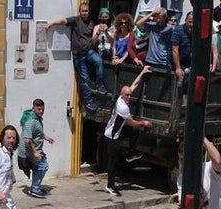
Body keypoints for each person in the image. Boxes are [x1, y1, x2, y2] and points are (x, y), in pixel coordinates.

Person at [103, 66, 152, 197]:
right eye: (127, 95)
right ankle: (110, 184)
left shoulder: (124, 97)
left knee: (134, 132)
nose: (129, 97)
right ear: (121, 95)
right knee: (113, 160)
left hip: (117, 131)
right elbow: (132, 122)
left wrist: (142, 72)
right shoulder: (122, 107)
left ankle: (131, 154)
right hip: (112, 136)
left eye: (130, 95)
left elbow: (134, 85)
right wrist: (144, 122)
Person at [46, 4, 105, 109]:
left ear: (89, 11)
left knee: (99, 61)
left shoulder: (92, 22)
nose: (84, 13)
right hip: (78, 55)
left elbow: (93, 39)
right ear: (79, 11)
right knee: (84, 78)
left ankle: (100, 85)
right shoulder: (76, 20)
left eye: (86, 11)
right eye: (82, 11)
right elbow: (63, 21)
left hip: (89, 51)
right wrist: (51, 23)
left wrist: (98, 32)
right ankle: (88, 101)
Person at [17, 99, 54, 199]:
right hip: (28, 152)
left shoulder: (36, 118)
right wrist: (35, 152)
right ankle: (35, 189)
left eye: (42, 109)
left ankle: (35, 187)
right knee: (43, 166)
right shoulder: (31, 121)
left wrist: (45, 137)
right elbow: (27, 140)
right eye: (39, 109)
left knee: (39, 167)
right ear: (33, 108)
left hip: (32, 151)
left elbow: (37, 132)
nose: (41, 111)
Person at [170, 10, 193, 79]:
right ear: (185, 20)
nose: (192, 24)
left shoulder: (197, 31)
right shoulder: (178, 30)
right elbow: (175, 50)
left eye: (193, 22)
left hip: (189, 65)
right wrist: (178, 68)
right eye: (190, 22)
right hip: (177, 65)